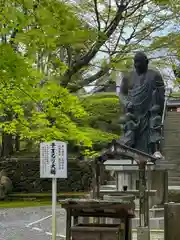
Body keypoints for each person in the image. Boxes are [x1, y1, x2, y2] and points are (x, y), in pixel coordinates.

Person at [119, 51, 165, 154]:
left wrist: (157, 108)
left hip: (148, 113)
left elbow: (161, 95)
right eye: (135, 62)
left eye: (140, 62)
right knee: (131, 135)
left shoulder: (155, 76)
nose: (137, 65)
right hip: (133, 113)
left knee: (151, 133)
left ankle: (154, 152)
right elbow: (122, 94)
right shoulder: (128, 77)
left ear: (147, 62)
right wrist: (126, 103)